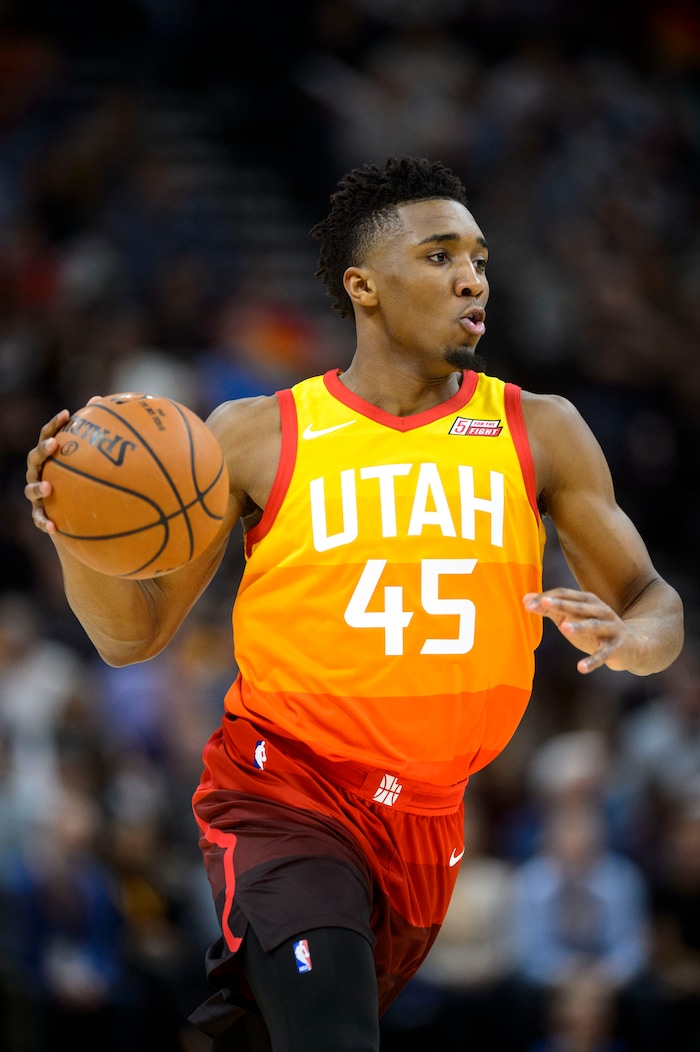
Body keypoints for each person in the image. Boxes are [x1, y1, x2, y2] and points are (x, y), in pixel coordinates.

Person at [24, 155, 684, 1052]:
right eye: (441, 255)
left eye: (480, 258)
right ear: (363, 287)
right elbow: (130, 636)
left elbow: (653, 600)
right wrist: (80, 531)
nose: (471, 277)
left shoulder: (541, 428)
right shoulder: (259, 435)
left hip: (429, 818)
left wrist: (639, 641)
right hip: (283, 787)